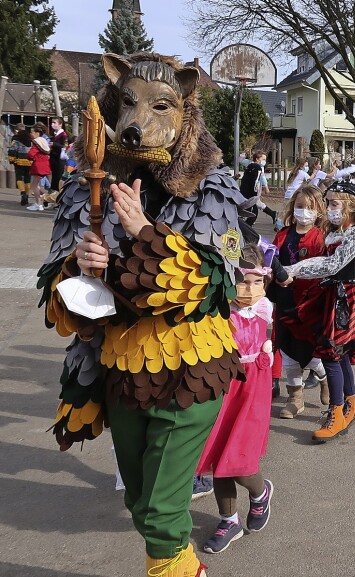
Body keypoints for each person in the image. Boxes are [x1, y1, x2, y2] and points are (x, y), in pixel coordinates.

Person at [40, 52, 247, 577]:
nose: (139, 120)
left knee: (160, 512)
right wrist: (80, 269)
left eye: (160, 106)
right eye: (129, 103)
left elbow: (211, 284)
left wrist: (143, 235)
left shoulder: (214, 189)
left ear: (184, 111)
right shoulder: (83, 191)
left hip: (189, 368)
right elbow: (62, 308)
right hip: (121, 370)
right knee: (139, 502)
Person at [196, 245, 276, 554]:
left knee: (240, 462)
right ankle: (228, 520)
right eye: (243, 281)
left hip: (253, 389)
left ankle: (260, 494)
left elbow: (272, 349)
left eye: (257, 282)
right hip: (223, 386)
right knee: (217, 458)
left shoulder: (265, 309)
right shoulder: (217, 311)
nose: (250, 289)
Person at [284, 191, 355, 441]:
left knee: (332, 354)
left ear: (351, 206)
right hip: (334, 294)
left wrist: (294, 269)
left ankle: (336, 411)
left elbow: (332, 265)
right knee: (340, 354)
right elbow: (324, 260)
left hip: (347, 296)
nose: (329, 208)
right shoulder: (335, 232)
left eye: (334, 204)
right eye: (328, 204)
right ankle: (352, 402)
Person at [272, 186, 330, 416]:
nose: (303, 212)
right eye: (299, 207)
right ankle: (295, 398)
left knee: (310, 352)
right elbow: (270, 260)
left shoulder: (320, 237)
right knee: (287, 351)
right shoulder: (282, 235)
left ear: (318, 211)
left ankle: (323, 377)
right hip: (285, 301)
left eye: (309, 208)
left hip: (310, 304)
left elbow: (325, 268)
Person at [239, 150, 278, 226]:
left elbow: (262, 178)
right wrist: (244, 152)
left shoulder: (260, 167)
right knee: (256, 203)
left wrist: (265, 186)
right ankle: (272, 213)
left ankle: (271, 214)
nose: (264, 161)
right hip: (250, 188)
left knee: (255, 203)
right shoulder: (250, 163)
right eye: (263, 159)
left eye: (265, 160)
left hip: (255, 188)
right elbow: (241, 160)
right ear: (257, 159)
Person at [26, 124, 51, 211]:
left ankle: (38, 204)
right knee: (37, 185)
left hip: (38, 166)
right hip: (44, 165)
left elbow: (30, 154)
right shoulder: (43, 140)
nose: (31, 133)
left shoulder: (36, 142)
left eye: (32, 132)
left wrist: (29, 156)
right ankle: (50, 198)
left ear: (37, 133)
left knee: (34, 186)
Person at [49, 117, 68, 195]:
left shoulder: (63, 135)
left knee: (58, 179)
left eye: (55, 123)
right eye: (52, 123)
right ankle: (52, 198)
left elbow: (65, 146)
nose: (52, 124)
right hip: (54, 159)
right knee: (54, 178)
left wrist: (54, 144)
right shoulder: (54, 135)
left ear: (60, 124)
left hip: (60, 160)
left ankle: (57, 198)